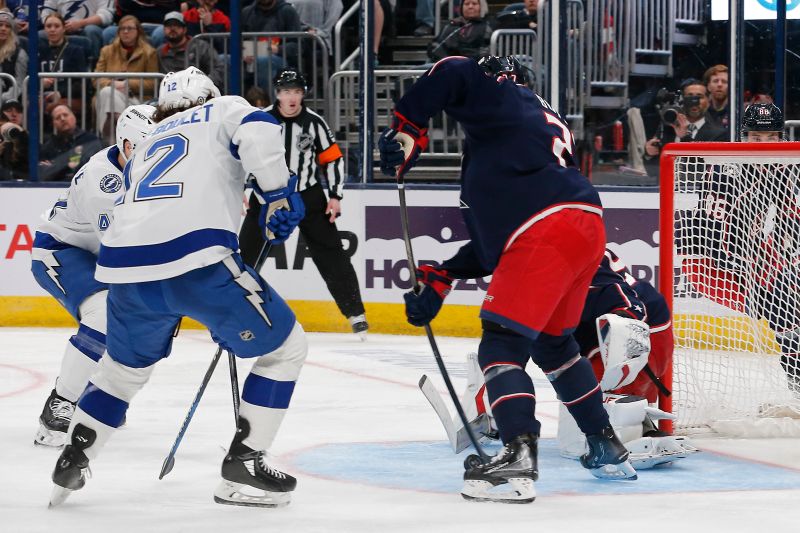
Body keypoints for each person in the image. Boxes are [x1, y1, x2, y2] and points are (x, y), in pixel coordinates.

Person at [378, 56, 636, 504]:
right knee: (554, 345)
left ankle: (518, 454)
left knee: (500, 343)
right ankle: (605, 446)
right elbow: (492, 244)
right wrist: (442, 277)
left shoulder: (503, 95)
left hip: (545, 228)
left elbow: (454, 70)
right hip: (582, 226)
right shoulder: (522, 133)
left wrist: (407, 128)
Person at [49, 67, 307, 508]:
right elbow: (261, 128)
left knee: (122, 370)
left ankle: (76, 453)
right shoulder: (222, 109)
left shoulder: (147, 141)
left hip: (125, 274)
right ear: (208, 94)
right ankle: (245, 462)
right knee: (287, 348)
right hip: (197, 263)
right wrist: (278, 193)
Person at [30, 105, 156, 447]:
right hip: (59, 251)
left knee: (124, 323)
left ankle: (95, 395)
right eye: (143, 148)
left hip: (94, 255)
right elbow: (119, 251)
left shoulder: (144, 169)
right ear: (126, 143)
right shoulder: (103, 181)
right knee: (103, 316)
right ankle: (60, 403)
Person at [679, 102, 800, 397]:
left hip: (762, 263)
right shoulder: (726, 167)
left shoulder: (790, 165)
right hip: (711, 265)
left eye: (771, 137)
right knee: (785, 300)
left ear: (781, 138)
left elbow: (790, 224)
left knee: (786, 295)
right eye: (756, 138)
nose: (764, 145)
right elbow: (724, 242)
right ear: (743, 137)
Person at [239, 69, 368, 338]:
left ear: (303, 94)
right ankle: (233, 309)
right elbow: (242, 157)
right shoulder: (261, 122)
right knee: (246, 254)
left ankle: (355, 313)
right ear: (277, 94)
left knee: (331, 253)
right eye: (287, 92)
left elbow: (332, 159)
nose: (292, 97)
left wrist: (335, 195)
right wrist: (240, 187)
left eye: (297, 91)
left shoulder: (315, 123)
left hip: (308, 196)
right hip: (265, 196)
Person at [94, 15, 159, 139]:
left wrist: (127, 84)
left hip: (137, 98)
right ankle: (121, 137)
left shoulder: (149, 52)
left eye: (129, 28)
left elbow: (153, 82)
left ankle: (107, 141)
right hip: (107, 96)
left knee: (108, 94)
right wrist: (112, 85)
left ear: (138, 31)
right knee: (107, 93)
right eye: (122, 28)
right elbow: (96, 78)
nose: (125, 32)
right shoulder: (107, 51)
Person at [39, 12, 90, 115]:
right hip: (43, 96)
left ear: (63, 29)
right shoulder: (39, 51)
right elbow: (28, 79)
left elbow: (81, 83)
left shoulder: (76, 51)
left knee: (52, 106)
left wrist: (60, 93)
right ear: (45, 29)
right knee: (33, 104)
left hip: (68, 97)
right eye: (49, 26)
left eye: (57, 26)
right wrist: (40, 83)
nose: (52, 29)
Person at [157, 11, 225, 89]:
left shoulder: (201, 46)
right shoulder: (160, 52)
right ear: (164, 30)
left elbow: (218, 68)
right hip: (170, 96)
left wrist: (204, 84)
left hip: (198, 93)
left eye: (177, 25)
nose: (172, 29)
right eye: (169, 26)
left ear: (185, 29)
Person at [39, 104, 103, 182]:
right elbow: (43, 174)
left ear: (74, 117)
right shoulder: (49, 146)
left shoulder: (90, 140)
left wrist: (55, 167)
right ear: (53, 123)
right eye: (57, 117)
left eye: (65, 115)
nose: (62, 119)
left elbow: (90, 168)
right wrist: (68, 165)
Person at [40, 0, 113, 59]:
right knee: (40, 35)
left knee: (91, 30)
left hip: (88, 27)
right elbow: (45, 13)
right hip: (62, 28)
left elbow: (106, 15)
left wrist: (80, 23)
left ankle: (93, 67)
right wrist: (59, 26)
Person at [426, 0, 490, 63]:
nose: (470, 6)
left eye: (474, 4)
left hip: (472, 66)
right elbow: (435, 47)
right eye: (467, 4)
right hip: (446, 64)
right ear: (461, 7)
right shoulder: (451, 25)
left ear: (481, 7)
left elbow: (486, 53)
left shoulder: (487, 27)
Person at [0, 9, 27, 104]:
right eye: (0, 25)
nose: (3, 28)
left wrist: (2, 99)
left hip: (9, 102)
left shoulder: (19, 54)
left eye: (7, 26)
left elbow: (19, 85)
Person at [704, 64, 729, 130]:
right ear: (708, 86)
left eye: (724, 81)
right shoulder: (701, 114)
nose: (719, 84)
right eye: (715, 81)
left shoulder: (738, 114)